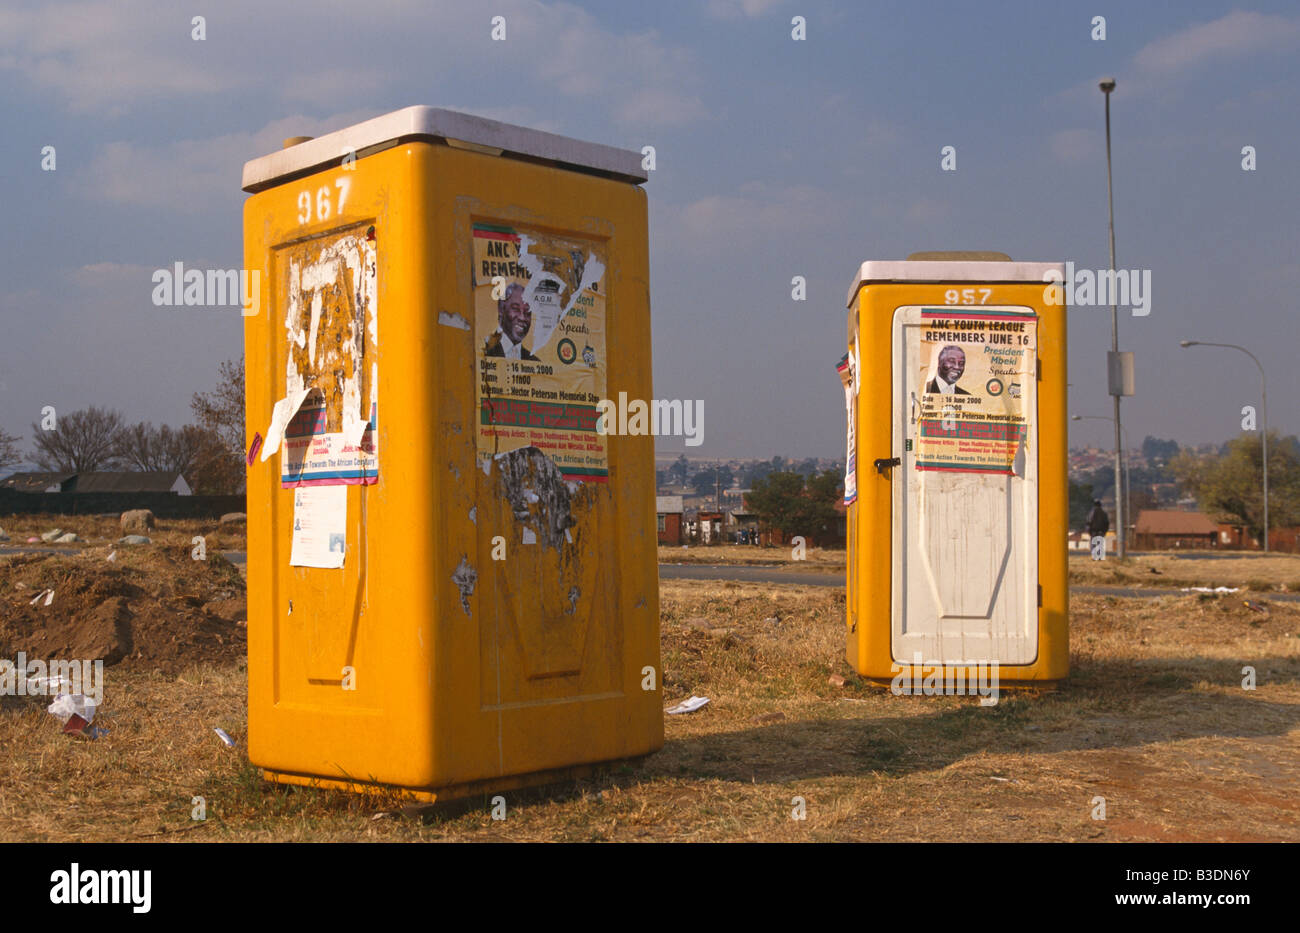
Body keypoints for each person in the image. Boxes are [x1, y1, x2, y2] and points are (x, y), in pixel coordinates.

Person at [484, 282, 540, 361]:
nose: (522, 317)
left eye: (527, 312)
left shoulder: (535, 362)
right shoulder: (485, 354)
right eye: (515, 309)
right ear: (501, 309)